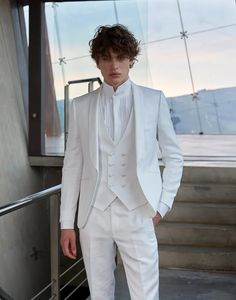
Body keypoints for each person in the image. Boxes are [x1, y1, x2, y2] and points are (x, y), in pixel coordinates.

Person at [60, 24, 183, 300]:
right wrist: (66, 222)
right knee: (99, 294)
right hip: (94, 215)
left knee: (145, 295)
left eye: (120, 57)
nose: (114, 65)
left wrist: (162, 205)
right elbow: (72, 166)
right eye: (107, 58)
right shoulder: (80, 106)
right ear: (98, 62)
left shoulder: (154, 100)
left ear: (131, 59)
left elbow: (174, 157)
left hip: (138, 211)